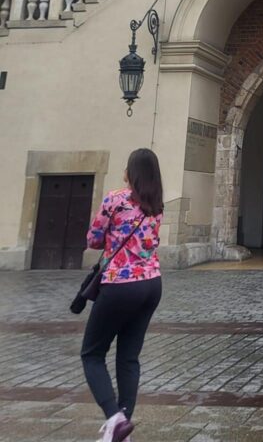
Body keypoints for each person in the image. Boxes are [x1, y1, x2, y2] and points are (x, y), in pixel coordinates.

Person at [80, 148, 164, 442]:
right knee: (129, 358)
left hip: (120, 283)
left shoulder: (115, 200)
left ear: (131, 171)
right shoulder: (156, 205)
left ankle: (114, 417)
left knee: (92, 354)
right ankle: (122, 428)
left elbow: (93, 239)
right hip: (152, 284)